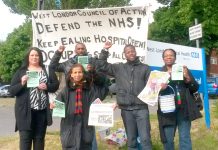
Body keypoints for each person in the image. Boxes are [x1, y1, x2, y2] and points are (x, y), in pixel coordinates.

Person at [49, 43, 108, 150]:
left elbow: (103, 76)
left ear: (86, 49)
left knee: (88, 141)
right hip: (70, 123)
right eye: (78, 49)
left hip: (87, 109)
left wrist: (93, 71)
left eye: (82, 48)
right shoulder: (68, 64)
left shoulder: (93, 62)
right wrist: (59, 52)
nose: (80, 50)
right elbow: (53, 66)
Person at [97, 42, 152, 150]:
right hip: (126, 110)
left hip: (142, 109)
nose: (131, 53)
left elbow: (151, 87)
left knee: (145, 139)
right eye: (128, 52)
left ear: (135, 52)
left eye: (132, 51)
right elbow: (101, 65)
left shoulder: (145, 68)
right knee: (131, 140)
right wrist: (105, 50)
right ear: (124, 55)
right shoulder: (118, 68)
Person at [9, 47, 59, 150]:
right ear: (28, 57)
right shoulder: (21, 71)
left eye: (37, 55)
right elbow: (11, 91)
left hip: (42, 112)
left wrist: (47, 86)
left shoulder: (47, 69)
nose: (34, 57)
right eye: (32, 55)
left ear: (40, 57)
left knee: (39, 140)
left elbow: (56, 85)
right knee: (25, 141)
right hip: (25, 112)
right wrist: (22, 83)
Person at [157, 48, 202, 150]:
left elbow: (194, 88)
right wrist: (160, 88)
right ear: (163, 59)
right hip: (167, 112)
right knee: (168, 140)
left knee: (185, 138)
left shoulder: (182, 69)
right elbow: (153, 93)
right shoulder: (159, 73)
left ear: (175, 57)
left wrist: (188, 78)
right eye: (166, 56)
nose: (169, 57)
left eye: (171, 55)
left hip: (183, 110)